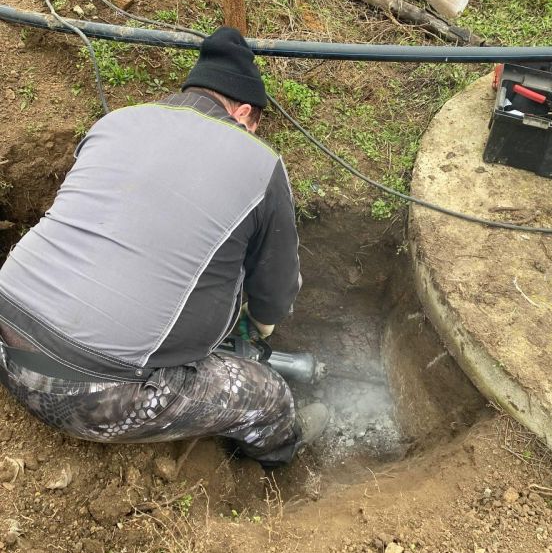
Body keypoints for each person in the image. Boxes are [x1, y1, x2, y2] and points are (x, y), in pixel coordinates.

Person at [0, 26, 328, 467]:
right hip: (85, 395)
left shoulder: (117, 121)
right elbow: (275, 286)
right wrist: (263, 324)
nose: (253, 134)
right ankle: (279, 452)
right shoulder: (262, 163)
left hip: (5, 337)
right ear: (244, 112)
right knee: (267, 397)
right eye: (254, 126)